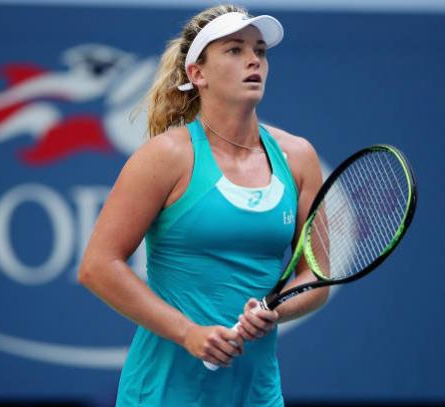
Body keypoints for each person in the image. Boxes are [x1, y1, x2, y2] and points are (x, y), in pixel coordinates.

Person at [78, 4, 329, 406]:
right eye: (234, 50)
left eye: (260, 51)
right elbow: (97, 266)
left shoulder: (298, 157)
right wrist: (187, 333)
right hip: (162, 395)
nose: (254, 60)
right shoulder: (166, 157)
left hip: (257, 395)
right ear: (198, 74)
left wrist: (275, 311)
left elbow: (315, 277)